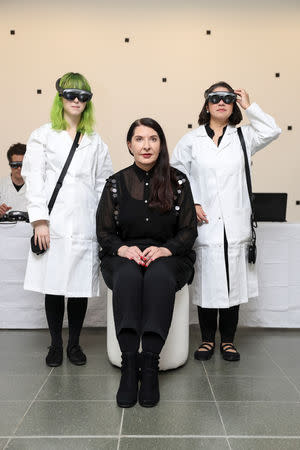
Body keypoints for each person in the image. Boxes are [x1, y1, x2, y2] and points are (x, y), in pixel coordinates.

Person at [171, 82, 281, 362]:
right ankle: (207, 340)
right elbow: (177, 175)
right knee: (208, 283)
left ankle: (228, 341)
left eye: (228, 98)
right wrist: (191, 202)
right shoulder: (191, 140)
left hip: (235, 223)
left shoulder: (244, 136)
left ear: (234, 104)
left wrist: (250, 105)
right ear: (206, 105)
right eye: (215, 98)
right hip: (205, 223)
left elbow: (272, 130)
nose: (222, 102)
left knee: (233, 284)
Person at [96, 118, 197, 408]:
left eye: (153, 139)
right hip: (125, 254)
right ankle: (130, 365)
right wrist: (122, 249)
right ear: (129, 145)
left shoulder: (178, 182)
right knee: (127, 277)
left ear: (161, 144)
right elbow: (103, 232)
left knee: (158, 277)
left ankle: (150, 364)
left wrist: (167, 250)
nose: (146, 145)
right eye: (139, 139)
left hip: (169, 256)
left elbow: (189, 230)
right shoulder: (115, 184)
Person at [22, 72, 113, 367]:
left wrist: (102, 223)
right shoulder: (43, 135)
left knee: (78, 288)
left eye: (83, 96)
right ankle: (55, 344)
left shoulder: (96, 141)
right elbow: (33, 177)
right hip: (53, 223)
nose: (77, 100)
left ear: (88, 101)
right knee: (54, 285)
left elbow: (103, 184)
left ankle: (74, 344)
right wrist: (39, 221)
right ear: (60, 97)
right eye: (71, 94)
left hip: (86, 224)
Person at [0, 143, 27, 217]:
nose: (19, 168)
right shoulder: (1, 186)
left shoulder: (37, 187)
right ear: (10, 164)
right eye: (15, 164)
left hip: (29, 228)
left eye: (22, 164)